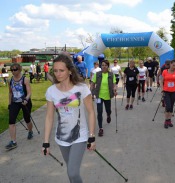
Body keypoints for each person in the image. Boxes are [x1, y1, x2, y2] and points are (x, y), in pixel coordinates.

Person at [42, 53, 96, 183]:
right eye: (55, 71)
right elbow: (49, 117)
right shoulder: (51, 91)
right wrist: (46, 142)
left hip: (80, 136)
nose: (58, 74)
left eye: (61, 70)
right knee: (70, 171)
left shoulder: (81, 88)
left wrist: (91, 136)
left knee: (72, 172)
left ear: (70, 71)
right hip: (61, 137)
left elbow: (91, 112)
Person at [5, 63, 33, 150]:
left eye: (15, 69)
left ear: (20, 69)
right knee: (11, 121)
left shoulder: (25, 79)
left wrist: (26, 99)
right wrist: (9, 103)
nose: (13, 71)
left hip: (25, 102)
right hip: (14, 102)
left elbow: (29, 93)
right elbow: (10, 92)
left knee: (27, 119)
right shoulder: (10, 80)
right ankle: (13, 142)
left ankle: (30, 131)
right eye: (11, 70)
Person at [91, 60, 117, 137]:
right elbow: (92, 84)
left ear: (108, 66)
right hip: (99, 96)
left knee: (108, 110)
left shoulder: (111, 74)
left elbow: (114, 84)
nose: (104, 66)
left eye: (105, 65)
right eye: (102, 65)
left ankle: (108, 115)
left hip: (108, 95)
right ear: (100, 66)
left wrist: (115, 90)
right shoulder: (97, 74)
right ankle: (100, 128)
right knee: (99, 111)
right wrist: (92, 93)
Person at [160, 60, 175, 128]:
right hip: (166, 91)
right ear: (170, 64)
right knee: (168, 106)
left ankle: (169, 120)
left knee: (171, 106)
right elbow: (161, 81)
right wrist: (162, 89)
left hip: (173, 92)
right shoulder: (165, 71)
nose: (174, 67)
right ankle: (166, 121)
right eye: (173, 65)